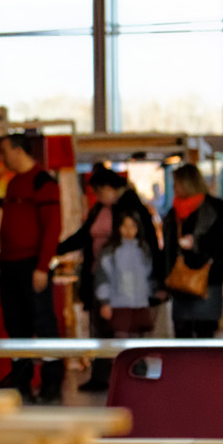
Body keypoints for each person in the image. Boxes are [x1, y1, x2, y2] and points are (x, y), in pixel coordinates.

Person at [59, 166, 158, 392]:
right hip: (98, 276)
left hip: (125, 285)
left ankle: (132, 375)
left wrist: (151, 285)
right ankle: (102, 375)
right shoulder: (99, 210)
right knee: (101, 328)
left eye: (99, 190)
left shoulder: (130, 209)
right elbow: (84, 235)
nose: (97, 195)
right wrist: (61, 248)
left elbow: (147, 246)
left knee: (126, 329)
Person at [0, 132, 64, 400]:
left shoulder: (42, 181)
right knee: (15, 327)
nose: (2, 158)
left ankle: (52, 383)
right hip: (10, 267)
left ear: (17, 150)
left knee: (44, 324)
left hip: (31, 265)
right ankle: (21, 382)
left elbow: (52, 226)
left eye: (4, 151)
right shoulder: (13, 184)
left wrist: (42, 267)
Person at [162, 163, 223, 339]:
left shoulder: (215, 208)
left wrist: (198, 243)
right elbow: (168, 249)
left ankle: (204, 367)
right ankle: (186, 368)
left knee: (206, 331)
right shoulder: (174, 212)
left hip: (209, 278)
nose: (174, 188)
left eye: (177, 183)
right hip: (180, 280)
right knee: (182, 332)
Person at [93, 212, 158, 350]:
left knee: (139, 343)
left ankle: (138, 369)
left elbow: (147, 274)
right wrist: (105, 301)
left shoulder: (143, 249)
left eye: (133, 226)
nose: (129, 231)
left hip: (139, 303)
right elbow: (103, 277)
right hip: (119, 303)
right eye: (125, 226)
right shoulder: (110, 251)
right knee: (120, 342)